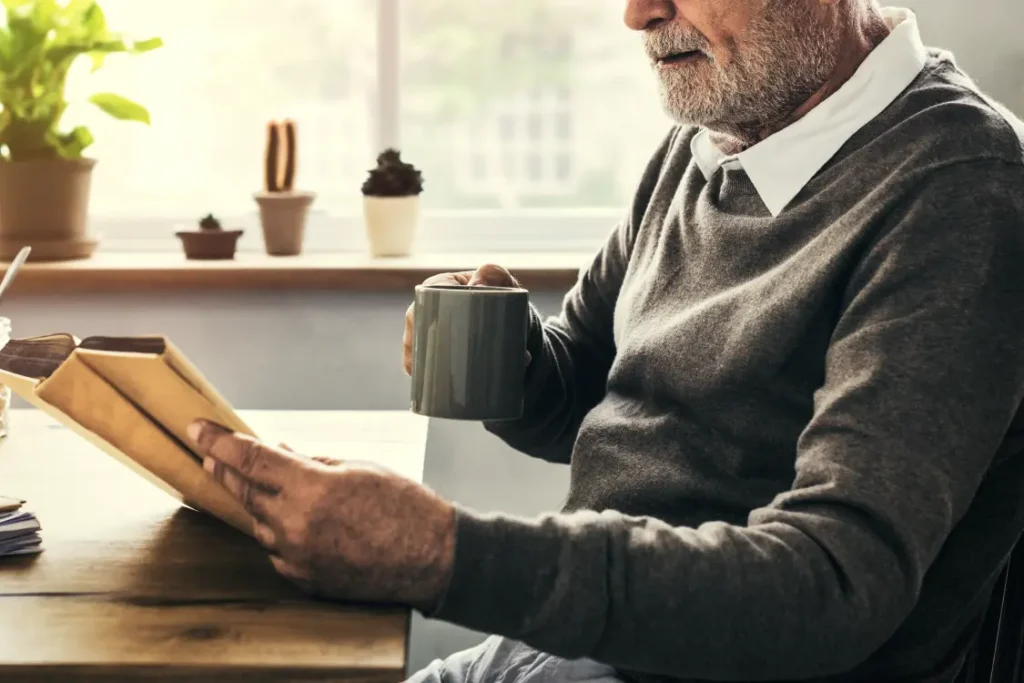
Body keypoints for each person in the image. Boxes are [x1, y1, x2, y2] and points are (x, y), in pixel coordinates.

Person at [186, 0, 1024, 681]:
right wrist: (515, 362)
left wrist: (442, 553)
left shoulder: (961, 190)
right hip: (569, 648)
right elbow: (589, 388)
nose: (636, 14)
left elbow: (836, 585)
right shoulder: (712, 138)